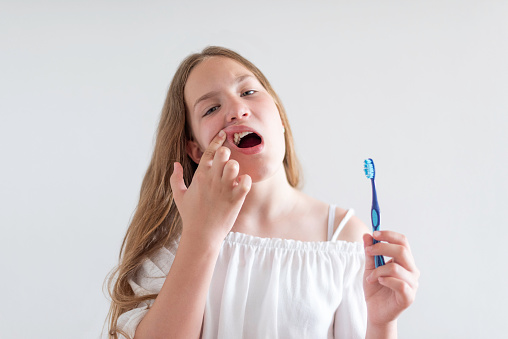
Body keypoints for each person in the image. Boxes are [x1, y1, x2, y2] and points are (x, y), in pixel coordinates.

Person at [105, 46, 419, 339]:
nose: (237, 110)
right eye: (212, 107)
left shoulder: (343, 237)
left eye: (249, 92)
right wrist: (201, 236)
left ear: (280, 118)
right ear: (196, 151)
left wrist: (381, 322)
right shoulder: (173, 243)